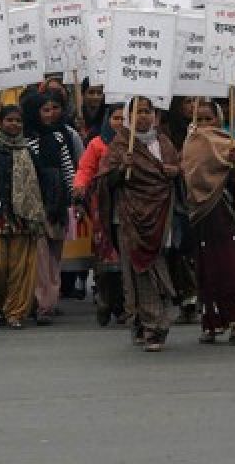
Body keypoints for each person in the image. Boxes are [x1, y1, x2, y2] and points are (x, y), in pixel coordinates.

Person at [94, 99, 181, 352]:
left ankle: (158, 318)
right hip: (128, 218)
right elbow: (104, 180)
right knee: (136, 270)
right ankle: (147, 325)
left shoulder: (163, 143)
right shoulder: (121, 144)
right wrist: (122, 169)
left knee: (157, 265)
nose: (143, 117)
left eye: (148, 111)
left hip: (159, 216)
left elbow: (178, 170)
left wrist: (173, 171)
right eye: (138, 112)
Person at [181, 100, 235, 344]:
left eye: (209, 119)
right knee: (209, 273)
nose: (204, 125)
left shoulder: (230, 144)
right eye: (200, 120)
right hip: (203, 219)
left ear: (219, 120)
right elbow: (189, 181)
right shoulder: (189, 145)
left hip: (228, 218)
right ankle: (211, 324)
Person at [23, 91, 84, 324]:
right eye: (44, 110)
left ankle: (49, 300)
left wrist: (75, 198)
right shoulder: (26, 139)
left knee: (54, 256)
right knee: (39, 257)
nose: (49, 115)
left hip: (57, 205)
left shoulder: (60, 138)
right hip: (35, 205)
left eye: (53, 109)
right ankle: (41, 303)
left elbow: (69, 171)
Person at [0, 105, 46, 329]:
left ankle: (15, 312)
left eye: (18, 121)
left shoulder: (28, 151)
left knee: (20, 268)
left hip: (23, 216)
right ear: (0, 123)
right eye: (9, 120)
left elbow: (38, 182)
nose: (14, 125)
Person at [80, 105, 126, 326]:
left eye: (124, 118)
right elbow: (86, 170)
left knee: (127, 257)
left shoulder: (139, 144)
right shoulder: (98, 144)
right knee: (106, 258)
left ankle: (125, 305)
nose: (120, 122)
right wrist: (79, 186)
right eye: (116, 118)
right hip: (104, 208)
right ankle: (106, 300)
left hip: (132, 207)